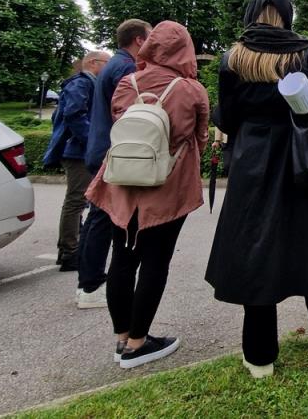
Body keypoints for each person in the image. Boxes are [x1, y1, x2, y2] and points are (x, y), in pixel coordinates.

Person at [205, 0, 308, 378]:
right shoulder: (302, 52)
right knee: (307, 242)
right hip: (295, 159)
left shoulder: (233, 56)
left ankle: (259, 354)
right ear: (287, 13)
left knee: (255, 247)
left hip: (250, 162)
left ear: (251, 11)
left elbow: (227, 117)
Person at [84, 21, 210, 369]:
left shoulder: (128, 82)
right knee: (156, 262)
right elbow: (199, 137)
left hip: (124, 183)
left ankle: (122, 337)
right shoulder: (191, 89)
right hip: (167, 187)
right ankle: (139, 343)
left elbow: (119, 123)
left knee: (122, 260)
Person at [78, 18, 151, 309]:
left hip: (100, 146)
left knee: (97, 216)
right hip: (112, 150)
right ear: (139, 40)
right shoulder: (125, 69)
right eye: (150, 37)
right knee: (103, 218)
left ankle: (87, 280)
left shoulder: (114, 65)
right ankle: (91, 284)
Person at [43, 51, 109, 271]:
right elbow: (74, 115)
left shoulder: (86, 84)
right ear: (92, 63)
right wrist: (93, 141)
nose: (108, 67)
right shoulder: (81, 83)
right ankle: (69, 251)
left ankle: (72, 247)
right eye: (106, 63)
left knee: (80, 200)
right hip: (78, 152)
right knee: (76, 200)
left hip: (80, 150)